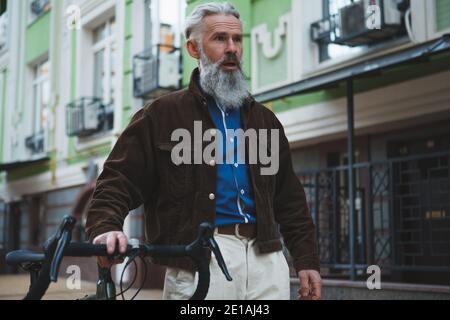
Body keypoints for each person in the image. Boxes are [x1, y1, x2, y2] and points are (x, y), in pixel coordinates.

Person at [85, 2, 321, 300]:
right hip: (200, 260)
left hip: (267, 262)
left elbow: (289, 199)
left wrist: (306, 260)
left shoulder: (265, 120)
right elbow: (117, 180)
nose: (232, 48)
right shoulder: (161, 115)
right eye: (220, 39)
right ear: (194, 49)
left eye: (237, 39)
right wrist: (106, 227)